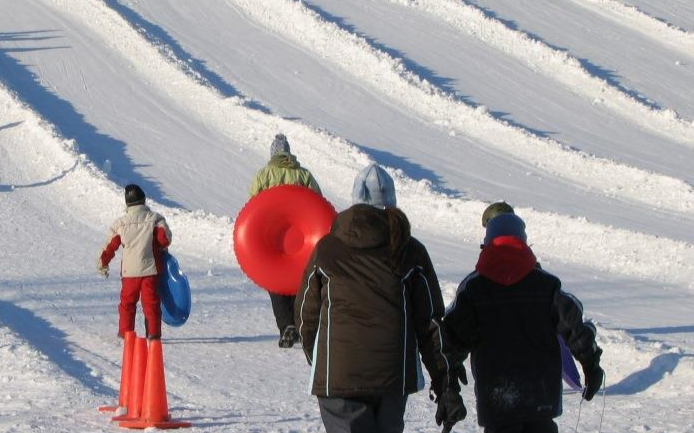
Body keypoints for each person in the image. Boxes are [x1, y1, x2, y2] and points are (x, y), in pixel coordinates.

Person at [298, 163, 453, 433]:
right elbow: (429, 323)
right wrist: (442, 379)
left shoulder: (327, 249)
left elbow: (305, 316)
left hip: (339, 373)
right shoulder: (411, 251)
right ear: (392, 203)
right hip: (392, 375)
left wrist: (321, 360)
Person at [442, 212, 605, 433]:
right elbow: (574, 327)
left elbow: (450, 342)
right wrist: (591, 364)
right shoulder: (547, 285)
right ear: (524, 243)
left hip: (497, 398)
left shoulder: (474, 289)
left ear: (487, 244)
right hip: (542, 396)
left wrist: (448, 383)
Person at [250, 134, 321, 348]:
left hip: (273, 238)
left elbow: (253, 205)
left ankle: (285, 326)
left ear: (273, 153)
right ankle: (299, 325)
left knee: (277, 283)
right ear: (289, 152)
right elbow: (317, 202)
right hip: (301, 240)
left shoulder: (264, 175)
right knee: (298, 283)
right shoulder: (304, 174)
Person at [98, 184, 172, 340]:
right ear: (144, 200)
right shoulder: (155, 219)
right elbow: (164, 239)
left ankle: (126, 333)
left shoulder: (121, 224)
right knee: (151, 304)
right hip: (149, 270)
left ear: (127, 204)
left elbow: (110, 246)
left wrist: (103, 262)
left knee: (127, 303)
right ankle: (153, 335)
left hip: (129, 272)